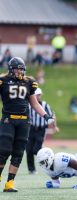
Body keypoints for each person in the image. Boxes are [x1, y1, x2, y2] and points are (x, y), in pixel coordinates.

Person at [0, 57, 55, 192]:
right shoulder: (3, 81)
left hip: (24, 121)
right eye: (17, 68)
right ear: (11, 69)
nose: (19, 71)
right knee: (4, 150)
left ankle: (10, 183)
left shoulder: (29, 82)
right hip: (8, 119)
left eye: (21, 69)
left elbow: (34, 103)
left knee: (18, 153)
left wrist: (46, 116)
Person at [26, 88, 59, 174]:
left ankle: (48, 156)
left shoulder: (45, 105)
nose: (38, 97)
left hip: (41, 129)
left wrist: (54, 126)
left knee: (36, 149)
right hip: (31, 129)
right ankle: (31, 169)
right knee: (28, 150)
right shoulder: (29, 105)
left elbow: (52, 116)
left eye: (39, 95)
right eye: (37, 95)